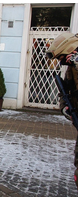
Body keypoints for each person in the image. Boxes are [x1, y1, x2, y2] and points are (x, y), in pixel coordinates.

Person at [46, 32, 78, 189]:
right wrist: (65, 107)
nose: (62, 63)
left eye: (62, 58)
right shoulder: (72, 68)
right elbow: (65, 90)